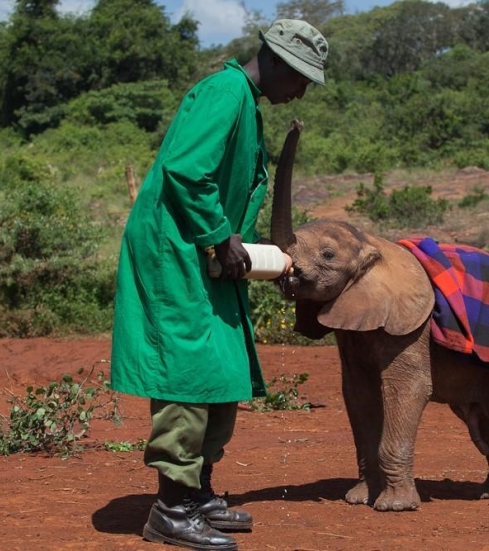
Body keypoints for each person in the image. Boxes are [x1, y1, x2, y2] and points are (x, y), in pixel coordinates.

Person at [109, 19, 329, 551]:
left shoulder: (245, 105)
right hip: (176, 253)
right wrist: (217, 236)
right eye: (298, 75)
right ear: (273, 59)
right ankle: (172, 507)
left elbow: (225, 192)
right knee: (189, 371)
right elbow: (186, 171)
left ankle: (199, 490)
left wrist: (255, 257)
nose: (300, 88)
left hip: (204, 254)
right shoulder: (224, 92)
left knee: (223, 366)